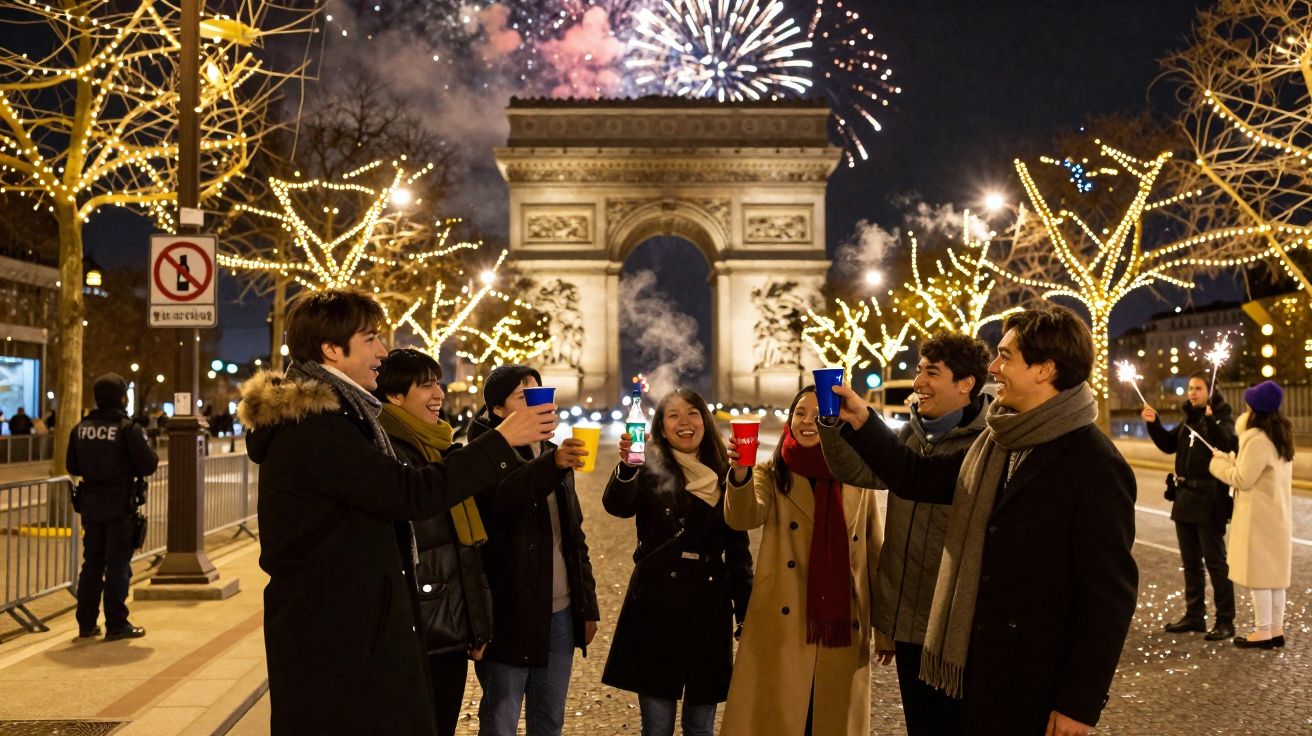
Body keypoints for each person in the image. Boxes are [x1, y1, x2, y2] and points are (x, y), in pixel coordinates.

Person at [238, 289, 559, 736]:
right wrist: (502, 441)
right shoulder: (317, 429)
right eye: (370, 339)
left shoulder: (339, 418)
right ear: (332, 349)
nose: (383, 352)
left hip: (349, 628)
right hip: (339, 639)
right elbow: (410, 493)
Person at [827, 304, 1138, 735]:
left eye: (1006, 356)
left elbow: (1108, 599)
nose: (993, 367)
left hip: (1032, 680)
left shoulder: (1096, 463)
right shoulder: (996, 442)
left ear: (1045, 370)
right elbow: (916, 477)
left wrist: (1079, 704)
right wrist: (862, 420)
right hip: (975, 665)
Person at [818, 332, 991, 734]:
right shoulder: (911, 434)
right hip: (910, 618)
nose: (918, 382)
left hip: (955, 617)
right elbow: (859, 471)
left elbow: (913, 476)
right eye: (918, 370)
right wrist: (833, 424)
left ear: (965, 383)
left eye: (932, 372)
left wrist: (865, 421)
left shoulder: (987, 443)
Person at [720, 386, 891, 736]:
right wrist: (740, 473)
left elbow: (875, 552)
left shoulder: (858, 474)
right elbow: (743, 517)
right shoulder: (773, 470)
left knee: (829, 720)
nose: (807, 422)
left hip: (842, 622)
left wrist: (885, 631)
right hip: (785, 623)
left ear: (836, 419)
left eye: (819, 414)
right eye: (800, 412)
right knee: (784, 719)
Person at [602, 387, 753, 736]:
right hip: (656, 608)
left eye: (692, 413)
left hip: (709, 610)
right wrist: (627, 467)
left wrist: (745, 610)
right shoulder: (648, 465)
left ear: (705, 420)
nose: (684, 423)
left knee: (701, 727)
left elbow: (738, 549)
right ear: (661, 426)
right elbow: (617, 506)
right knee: (656, 728)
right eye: (673, 415)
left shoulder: (729, 472)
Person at [469, 365, 600, 736]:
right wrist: (550, 466)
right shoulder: (478, 456)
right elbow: (499, 506)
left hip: (559, 613)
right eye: (522, 396)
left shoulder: (554, 453)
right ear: (497, 410)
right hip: (506, 614)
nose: (537, 402)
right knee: (500, 721)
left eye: (539, 393)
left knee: (550, 720)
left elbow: (575, 536)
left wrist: (586, 605)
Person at [373, 348, 495, 736]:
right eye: (426, 385)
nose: (439, 393)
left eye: (438, 382)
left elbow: (463, 551)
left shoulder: (436, 445)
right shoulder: (389, 451)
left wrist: (474, 625)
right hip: (418, 631)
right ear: (394, 396)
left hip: (447, 627)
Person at [1141, 371, 1237, 641]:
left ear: (1211, 391)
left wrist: (1210, 421)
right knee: (1191, 562)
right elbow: (1169, 445)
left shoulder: (1221, 419)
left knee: (1216, 563)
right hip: (1184, 499)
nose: (1192, 392)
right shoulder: (1189, 420)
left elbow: (1228, 445)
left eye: (1198, 388)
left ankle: (1226, 620)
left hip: (1209, 500)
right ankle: (1195, 615)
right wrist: (1153, 424)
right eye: (1190, 388)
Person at [66, 373, 158, 641]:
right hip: (120, 504)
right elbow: (148, 465)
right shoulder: (128, 429)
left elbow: (72, 467)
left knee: (92, 564)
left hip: (91, 504)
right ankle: (116, 624)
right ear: (121, 397)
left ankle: (86, 624)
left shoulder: (80, 429)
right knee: (118, 564)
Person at [1208, 380, 1295, 650]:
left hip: (1258, 518)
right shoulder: (1279, 437)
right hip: (1276, 516)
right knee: (1275, 578)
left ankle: (1262, 631)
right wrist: (1234, 459)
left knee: (1260, 576)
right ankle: (1276, 629)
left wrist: (1218, 464)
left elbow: (1243, 479)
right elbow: (1261, 474)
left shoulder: (1256, 439)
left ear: (1255, 409)